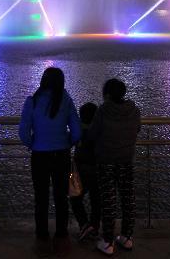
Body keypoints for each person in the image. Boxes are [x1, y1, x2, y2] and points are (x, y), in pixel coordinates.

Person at [19, 67, 82, 257]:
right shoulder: (66, 100)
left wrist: (34, 144)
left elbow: (23, 133)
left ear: (43, 81)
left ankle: (42, 238)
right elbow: (77, 132)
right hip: (61, 154)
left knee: (41, 198)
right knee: (61, 198)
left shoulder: (33, 101)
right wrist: (67, 142)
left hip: (39, 156)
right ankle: (61, 236)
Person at [90, 78, 141, 256]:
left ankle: (108, 241)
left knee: (108, 201)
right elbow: (137, 129)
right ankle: (127, 237)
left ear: (108, 95)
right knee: (128, 198)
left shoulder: (103, 111)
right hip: (126, 160)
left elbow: (93, 133)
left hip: (106, 161)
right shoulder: (134, 110)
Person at [70, 102, 100, 242]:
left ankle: (84, 224)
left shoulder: (78, 131)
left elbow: (69, 141)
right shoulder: (100, 131)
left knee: (75, 198)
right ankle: (94, 228)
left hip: (79, 170)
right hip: (97, 168)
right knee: (96, 200)